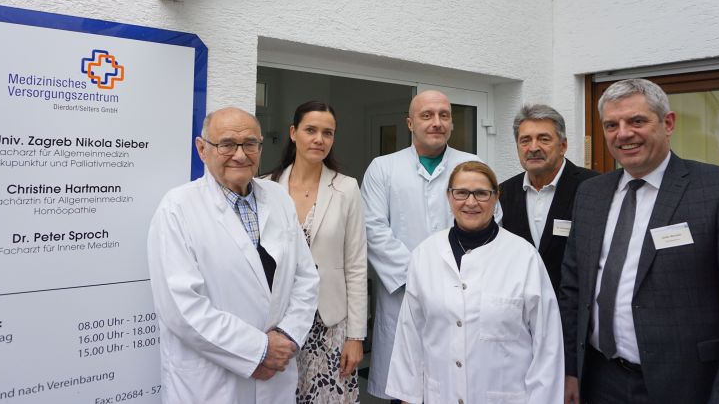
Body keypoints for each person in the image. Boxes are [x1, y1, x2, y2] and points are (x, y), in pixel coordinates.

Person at [560, 78, 719, 404]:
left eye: (637, 121)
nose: (624, 134)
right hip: (600, 381)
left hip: (687, 386)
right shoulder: (591, 194)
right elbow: (574, 289)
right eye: (611, 124)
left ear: (668, 123)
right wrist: (570, 369)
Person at [147, 107, 319, 403]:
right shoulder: (177, 208)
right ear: (202, 149)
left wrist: (287, 337)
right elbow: (181, 309)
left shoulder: (278, 198)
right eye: (226, 144)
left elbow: (305, 277)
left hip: (277, 370)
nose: (240, 154)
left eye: (250, 143)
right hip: (212, 381)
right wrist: (259, 349)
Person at [361, 89, 501, 400]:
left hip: (465, 296)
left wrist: (457, 279)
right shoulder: (383, 168)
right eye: (427, 115)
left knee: (462, 382)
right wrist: (425, 278)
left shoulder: (472, 164)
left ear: (451, 123)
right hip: (403, 295)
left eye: (444, 115)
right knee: (407, 387)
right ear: (410, 123)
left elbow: (492, 224)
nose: (436, 122)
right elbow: (373, 230)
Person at [386, 161, 564, 403]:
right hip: (441, 394)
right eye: (461, 193)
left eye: (481, 193)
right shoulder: (425, 254)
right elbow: (410, 335)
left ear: (496, 197)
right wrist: (408, 397)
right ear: (449, 197)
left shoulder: (524, 256)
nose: (471, 202)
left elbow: (547, 342)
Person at [268, 101, 367, 403]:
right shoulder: (266, 188)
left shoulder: (346, 188)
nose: (319, 139)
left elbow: (356, 265)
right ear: (293, 133)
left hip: (330, 324)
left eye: (328, 133)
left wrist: (356, 337)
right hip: (279, 325)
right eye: (311, 130)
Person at [500, 104, 598, 291]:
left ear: (563, 146)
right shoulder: (503, 193)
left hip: (573, 310)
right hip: (521, 311)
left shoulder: (593, 187)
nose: (533, 148)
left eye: (544, 139)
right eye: (525, 140)